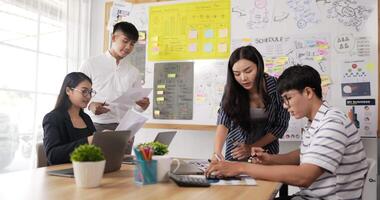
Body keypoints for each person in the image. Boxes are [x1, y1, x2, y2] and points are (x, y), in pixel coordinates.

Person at [206, 65, 368, 199]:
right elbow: (306, 153)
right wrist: (270, 159)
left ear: (308, 93)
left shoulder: (332, 124)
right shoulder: (319, 120)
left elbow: (304, 177)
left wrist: (240, 168)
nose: (285, 105)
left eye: (288, 98)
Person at [80, 22, 150, 152]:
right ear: (113, 38)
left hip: (125, 129)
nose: (128, 47)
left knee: (124, 168)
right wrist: (90, 105)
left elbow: (135, 106)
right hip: (97, 126)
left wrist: (142, 106)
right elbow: (79, 94)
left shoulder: (133, 72)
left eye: (132, 44)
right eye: (125, 41)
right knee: (98, 168)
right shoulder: (90, 64)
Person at [213, 45, 289, 161]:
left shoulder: (276, 87)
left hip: (266, 154)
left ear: (259, 67)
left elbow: (280, 126)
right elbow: (224, 121)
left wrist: (251, 147)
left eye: (248, 71)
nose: (243, 78)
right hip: (236, 153)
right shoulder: (231, 89)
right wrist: (217, 152)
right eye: (237, 74)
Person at [43, 72, 96, 165]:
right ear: (68, 90)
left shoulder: (86, 118)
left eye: (90, 92)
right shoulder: (52, 118)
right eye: (84, 91)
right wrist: (88, 141)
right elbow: (52, 156)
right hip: (61, 175)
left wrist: (105, 138)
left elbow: (95, 148)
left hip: (85, 170)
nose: (88, 96)